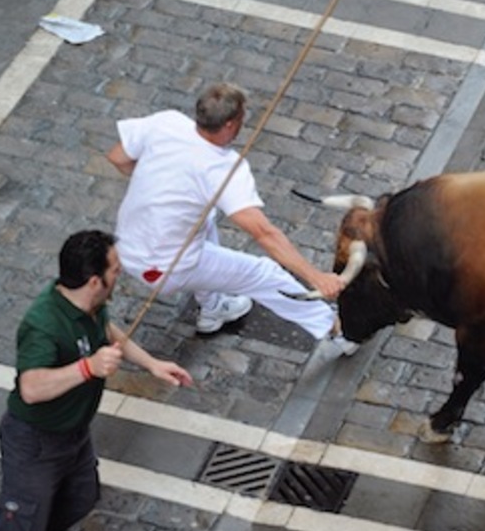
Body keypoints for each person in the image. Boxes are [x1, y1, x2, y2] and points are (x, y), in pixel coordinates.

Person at [106, 82, 357, 355]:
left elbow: (117, 157)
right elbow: (264, 234)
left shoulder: (166, 121)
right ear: (229, 125)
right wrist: (316, 277)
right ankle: (336, 329)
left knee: (207, 218)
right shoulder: (224, 168)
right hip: (166, 267)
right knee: (265, 274)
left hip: (124, 245)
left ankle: (212, 308)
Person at [0, 230, 193, 531]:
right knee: (19, 528)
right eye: (114, 269)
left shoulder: (91, 305)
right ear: (95, 281)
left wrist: (151, 363)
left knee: (81, 498)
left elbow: (107, 330)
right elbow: (31, 387)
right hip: (36, 444)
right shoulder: (43, 324)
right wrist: (88, 367)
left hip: (75, 435)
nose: (119, 273)